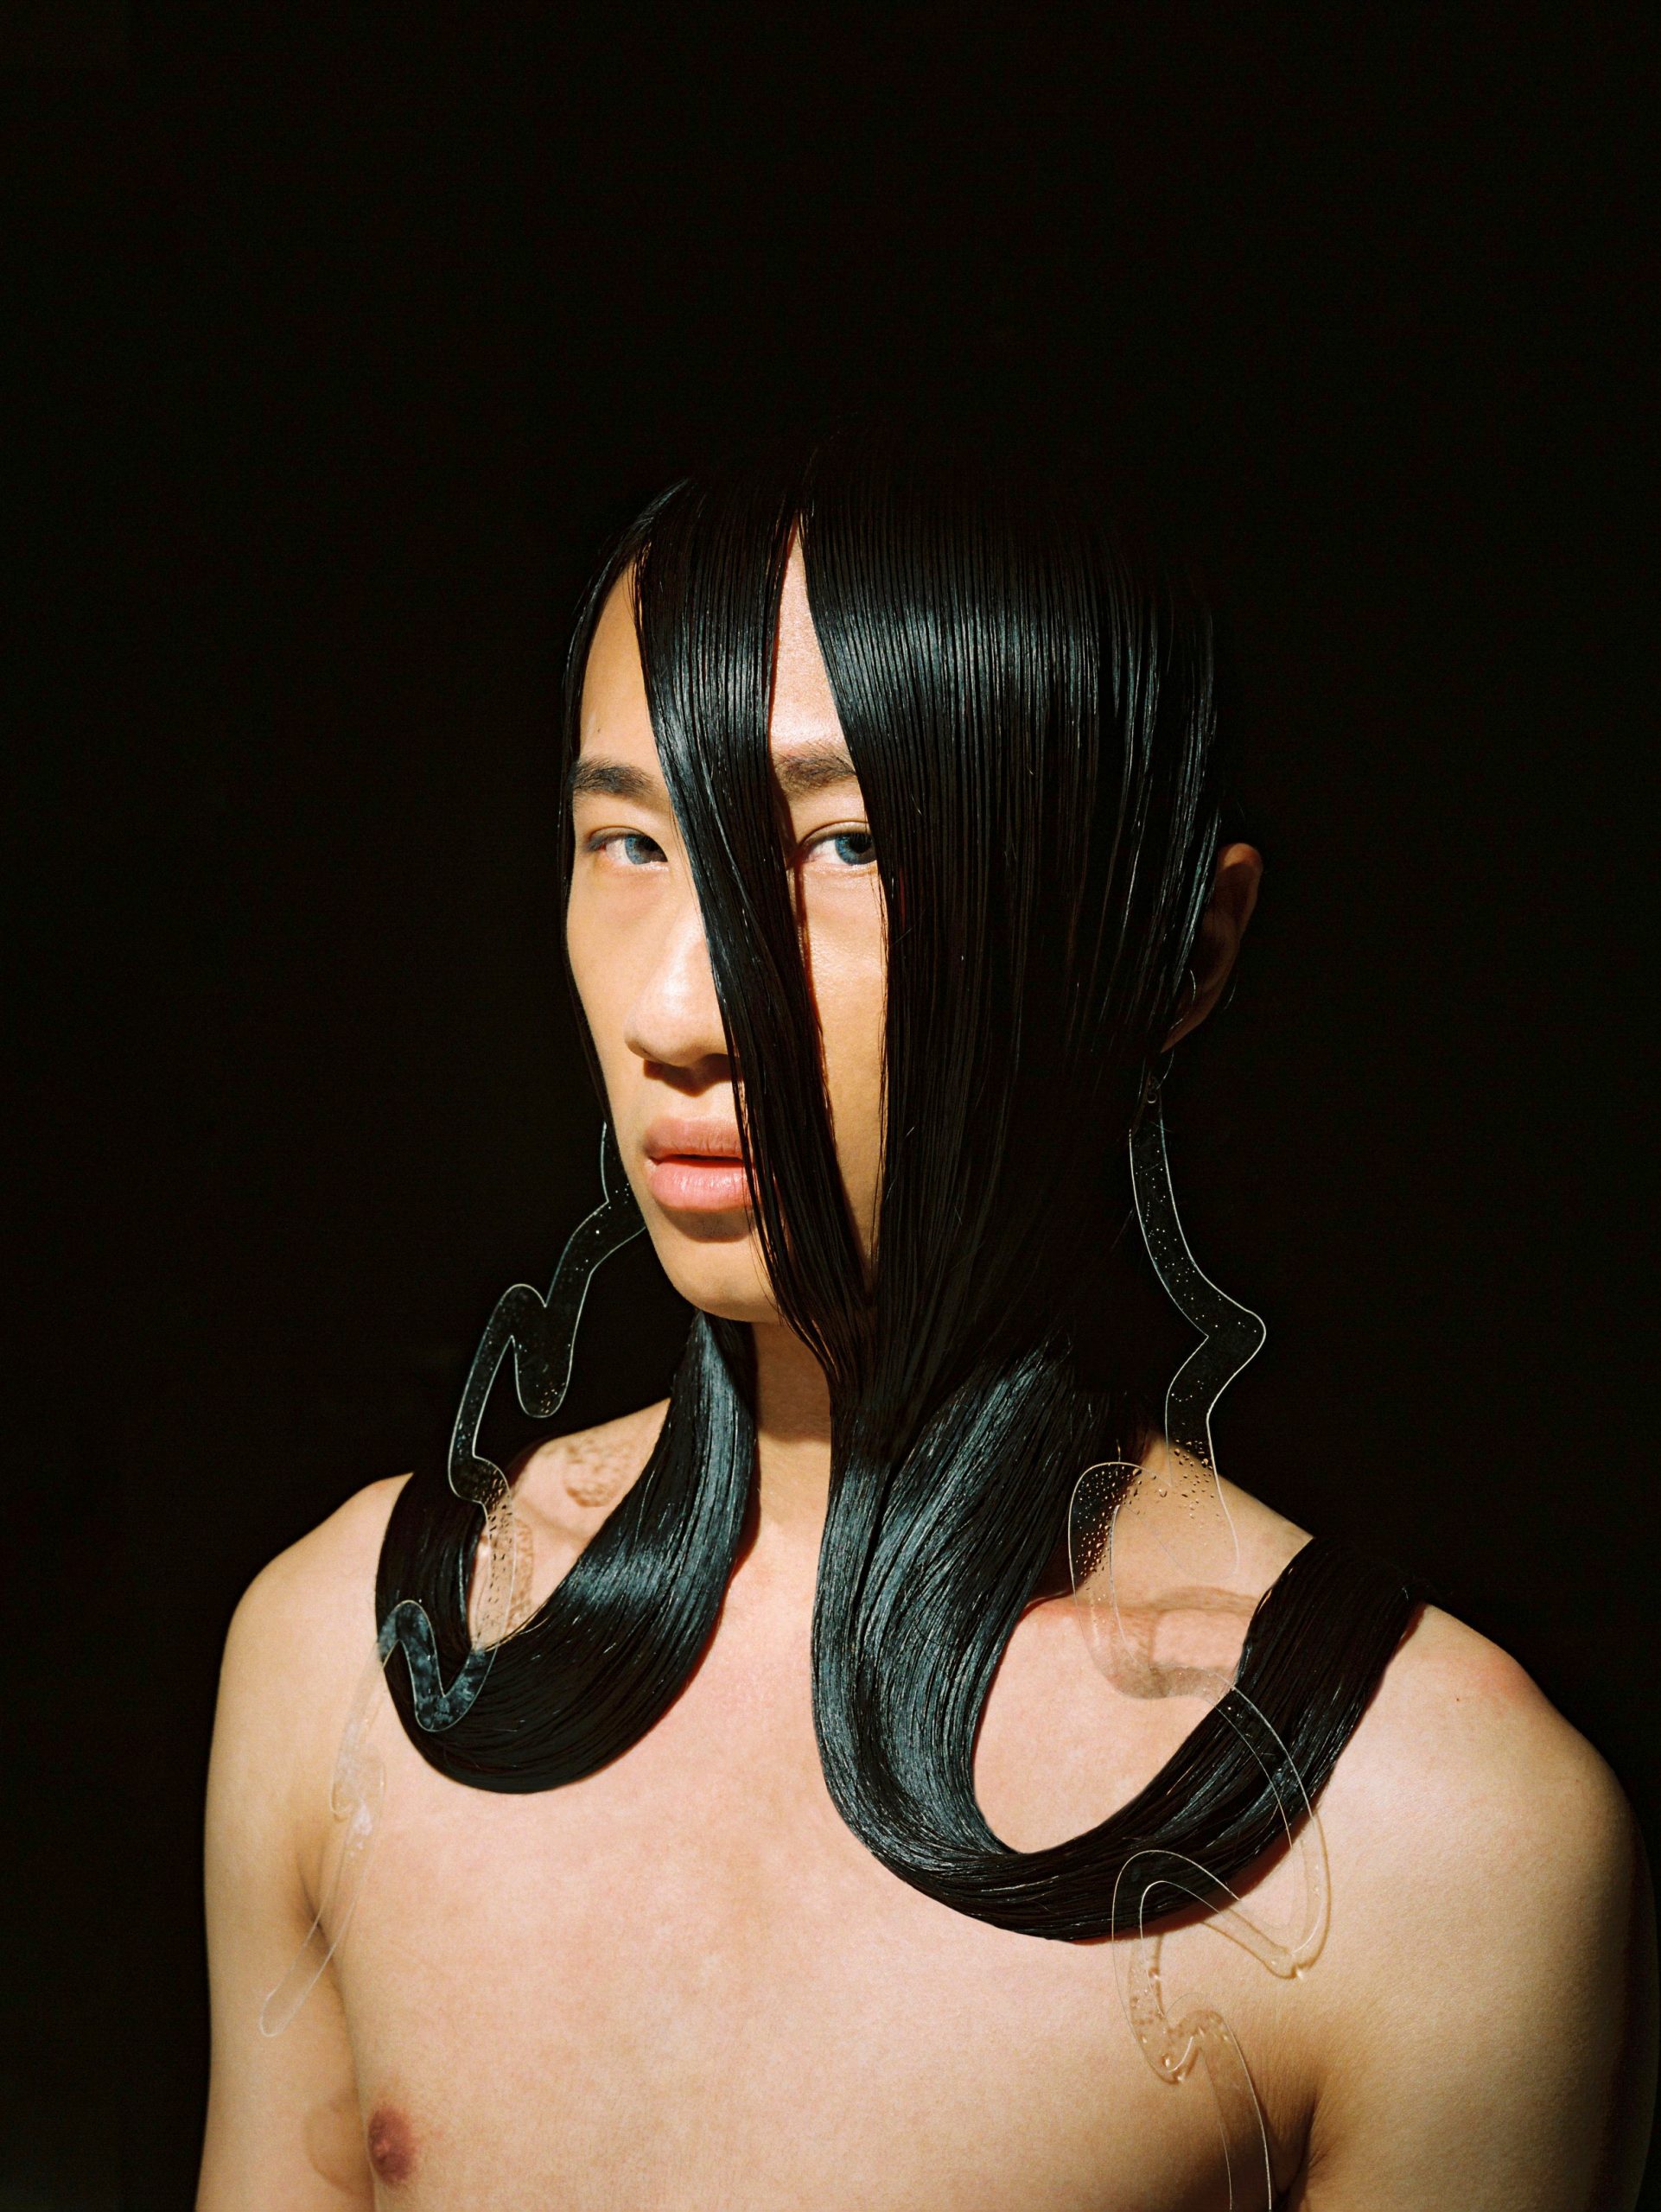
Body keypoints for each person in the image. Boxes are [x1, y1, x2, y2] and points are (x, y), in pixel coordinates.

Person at [198, 431, 1656, 2209]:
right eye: (630, 838)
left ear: (1183, 949)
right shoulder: (346, 1666)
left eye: (845, 844)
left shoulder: (1426, 1837)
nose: (681, 1006)